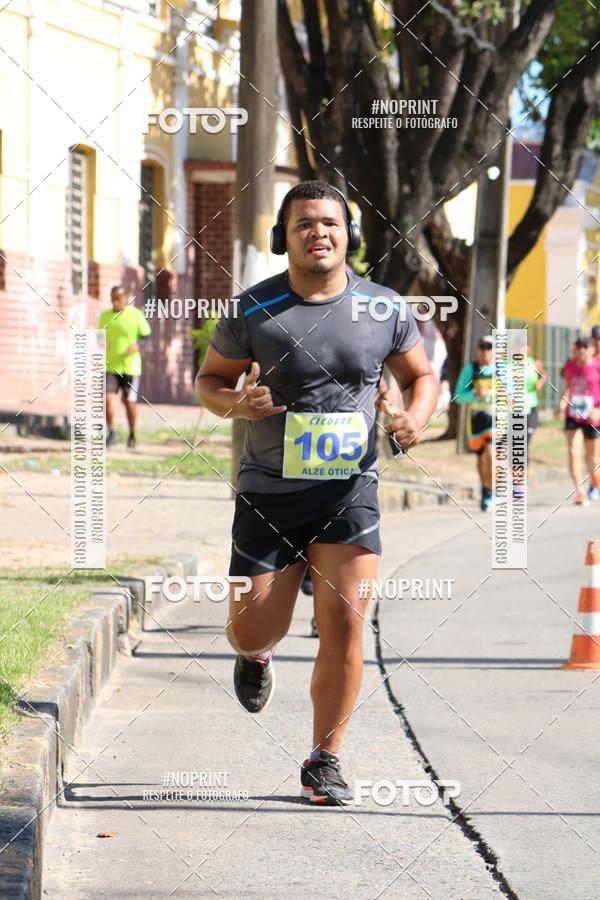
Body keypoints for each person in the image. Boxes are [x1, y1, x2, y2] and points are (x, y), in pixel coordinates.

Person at [195, 180, 438, 805]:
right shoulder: (254, 309)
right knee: (253, 630)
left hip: (348, 488)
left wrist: (416, 417)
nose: (319, 233)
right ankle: (256, 658)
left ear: (348, 233)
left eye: (330, 222)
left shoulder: (384, 309)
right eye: (304, 223)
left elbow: (422, 375)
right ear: (285, 237)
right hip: (269, 493)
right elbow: (209, 381)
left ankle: (323, 759)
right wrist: (236, 405)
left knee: (346, 624)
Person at [98, 286, 152, 448]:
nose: (115, 302)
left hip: (130, 367)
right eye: (112, 298)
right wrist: (102, 343)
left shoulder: (136, 315)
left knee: (129, 402)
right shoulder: (105, 317)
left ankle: (132, 433)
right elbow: (99, 338)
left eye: (118, 299)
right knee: (107, 399)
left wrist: (138, 346)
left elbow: (146, 337)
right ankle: (112, 432)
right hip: (110, 366)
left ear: (126, 298)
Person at [555, 336, 600, 505]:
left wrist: (598, 410)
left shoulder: (598, 366)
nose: (582, 350)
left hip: (593, 416)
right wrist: (561, 405)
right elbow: (568, 387)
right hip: (573, 414)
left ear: (592, 350)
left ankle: (596, 481)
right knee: (573, 450)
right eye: (580, 346)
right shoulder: (570, 366)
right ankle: (580, 491)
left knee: (593, 458)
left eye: (586, 347)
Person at [455, 336, 495, 511]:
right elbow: (458, 396)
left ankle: (492, 490)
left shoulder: (503, 370)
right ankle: (485, 489)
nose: (486, 351)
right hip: (477, 420)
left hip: (497, 420)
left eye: (490, 347)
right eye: (483, 347)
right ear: (478, 350)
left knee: (491, 453)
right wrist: (474, 394)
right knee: (481, 458)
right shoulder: (471, 369)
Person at [523, 340, 547, 447]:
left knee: (526, 437)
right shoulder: (509, 363)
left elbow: (543, 375)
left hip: (531, 406)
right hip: (513, 408)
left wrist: (540, 382)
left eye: (524, 345)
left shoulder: (534, 363)